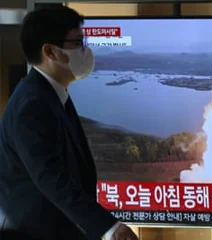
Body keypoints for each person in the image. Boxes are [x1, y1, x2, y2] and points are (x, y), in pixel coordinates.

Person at [0, 6, 138, 240]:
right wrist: (108, 227)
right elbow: (51, 177)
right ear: (50, 51)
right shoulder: (31, 104)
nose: (86, 50)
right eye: (77, 42)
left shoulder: (51, 94)